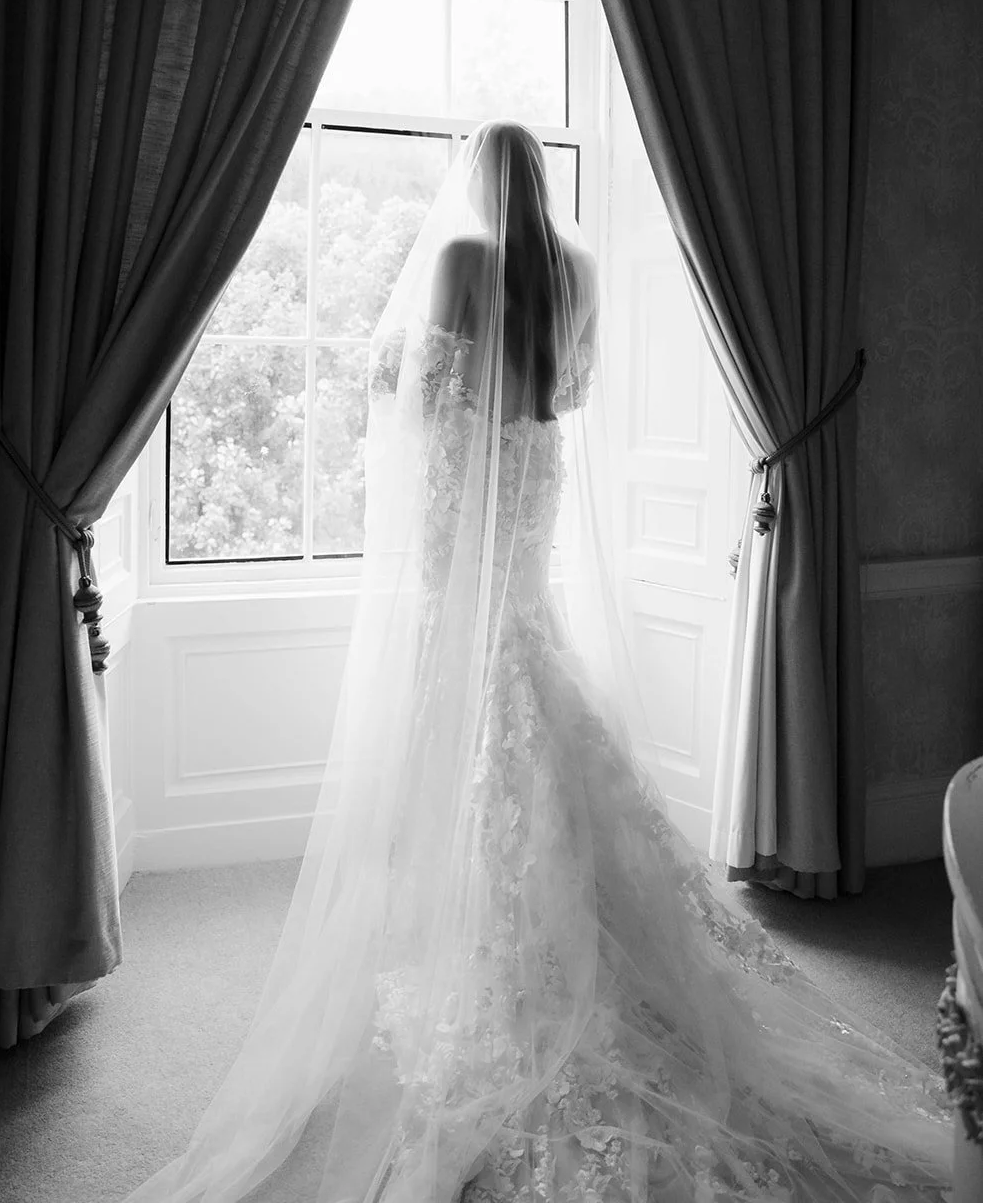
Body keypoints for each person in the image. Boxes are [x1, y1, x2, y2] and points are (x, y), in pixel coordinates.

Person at [124, 122, 953, 1203]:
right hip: (531, 473)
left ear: (475, 182)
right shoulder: (579, 269)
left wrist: (389, 372)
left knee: (467, 704)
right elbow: (566, 390)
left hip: (468, 495)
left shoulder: (463, 261)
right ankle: (555, 920)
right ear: (542, 180)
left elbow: (428, 399)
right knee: (533, 672)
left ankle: (483, 945)